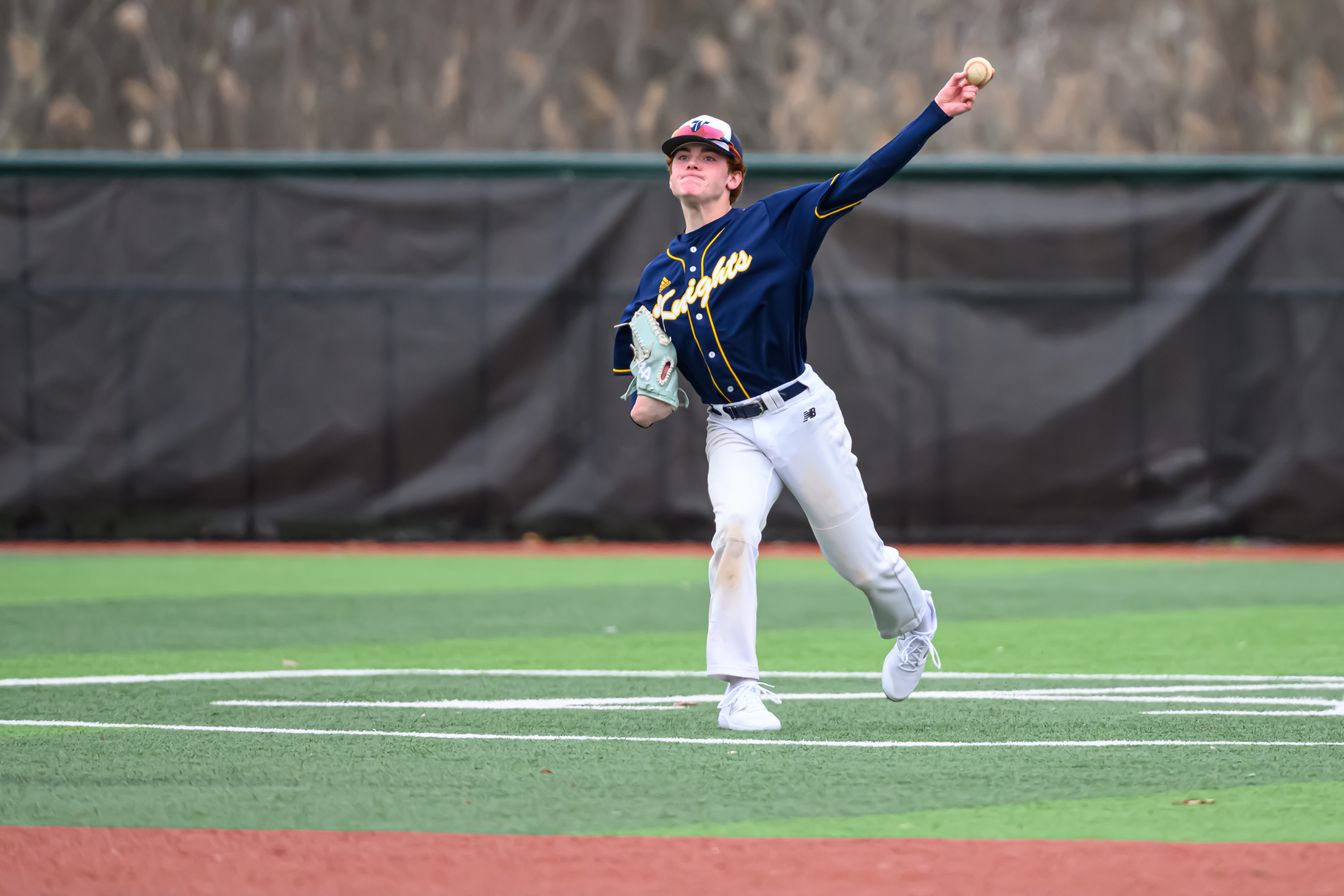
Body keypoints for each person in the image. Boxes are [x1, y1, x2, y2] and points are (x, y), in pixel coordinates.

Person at [612, 72, 982, 731]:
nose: (691, 164)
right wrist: (649, 398)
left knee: (861, 563)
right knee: (732, 535)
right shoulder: (656, 280)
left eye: (708, 157)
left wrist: (936, 113)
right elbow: (649, 403)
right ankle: (739, 689)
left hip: (799, 413)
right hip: (730, 428)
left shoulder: (777, 222)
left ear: (733, 177)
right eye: (682, 157)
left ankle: (915, 620)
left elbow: (865, 176)